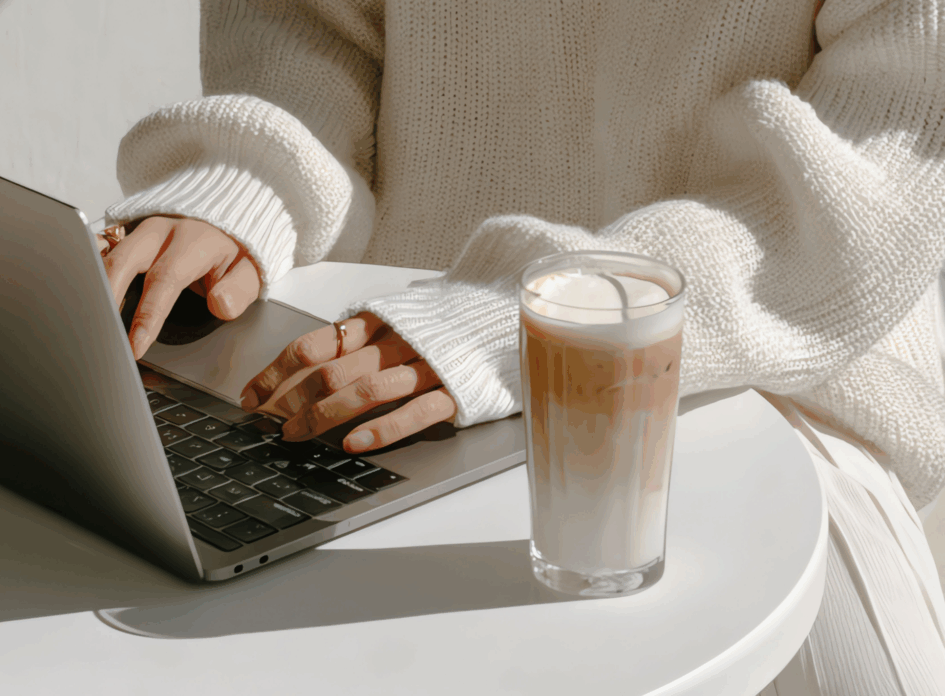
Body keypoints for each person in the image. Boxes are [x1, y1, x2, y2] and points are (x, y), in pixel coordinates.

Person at [98, 1, 945, 692]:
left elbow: (881, 162)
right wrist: (248, 179)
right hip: (392, 355)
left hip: (771, 373)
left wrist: (526, 313)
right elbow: (307, 23)